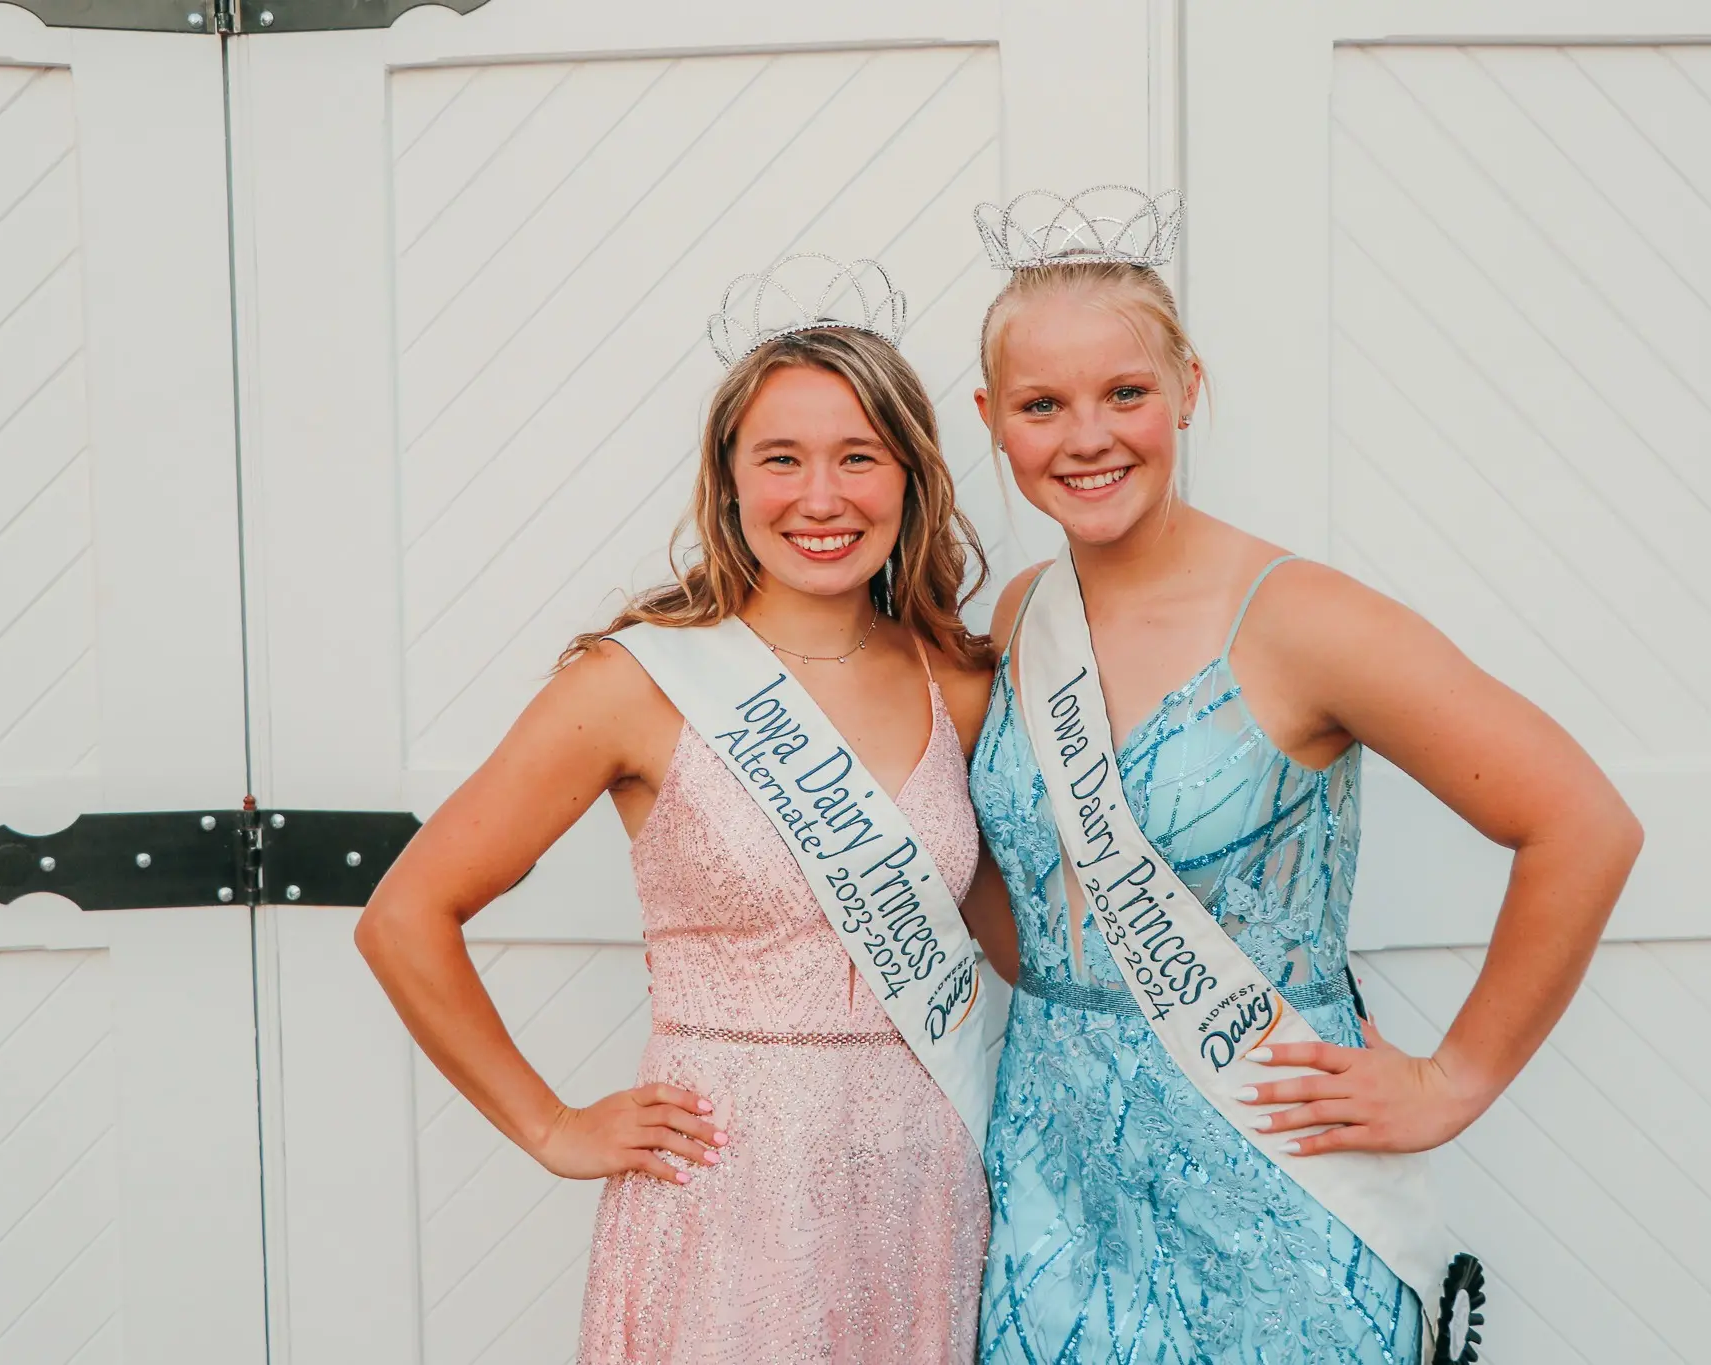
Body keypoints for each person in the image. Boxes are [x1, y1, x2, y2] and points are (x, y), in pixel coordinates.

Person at [964, 189, 1642, 1363]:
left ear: (1187, 387)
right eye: (1042, 404)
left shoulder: (1304, 619)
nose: (1086, 436)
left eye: (1125, 392)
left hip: (1268, 1157)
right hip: (1052, 1170)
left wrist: (1452, 1078)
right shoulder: (1023, 613)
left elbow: (1581, 823)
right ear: (993, 421)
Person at [355, 255, 1015, 1363]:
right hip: (723, 1201)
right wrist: (551, 1126)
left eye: (859, 456)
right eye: (781, 459)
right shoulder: (634, 684)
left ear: (909, 478)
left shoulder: (957, 686)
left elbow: (1022, 938)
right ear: (728, 480)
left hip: (921, 1186)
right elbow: (402, 916)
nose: (821, 497)